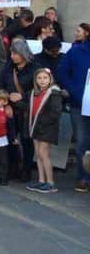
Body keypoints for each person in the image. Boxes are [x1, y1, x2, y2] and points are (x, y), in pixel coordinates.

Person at [0, 39, 38, 182]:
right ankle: (12, 168)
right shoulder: (7, 68)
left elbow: (40, 88)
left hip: (27, 109)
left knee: (27, 141)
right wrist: (5, 102)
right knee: (10, 139)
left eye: (15, 53)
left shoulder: (34, 68)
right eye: (12, 53)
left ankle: (26, 169)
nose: (12, 56)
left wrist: (22, 95)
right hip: (10, 109)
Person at [57, 31, 90, 192]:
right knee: (82, 142)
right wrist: (74, 91)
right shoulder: (76, 51)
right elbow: (62, 72)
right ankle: (83, 177)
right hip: (79, 104)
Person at [25, 68, 63, 194]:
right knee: (38, 154)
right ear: (35, 80)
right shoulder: (34, 92)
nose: (42, 80)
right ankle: (41, 181)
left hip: (47, 128)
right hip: (36, 127)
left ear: (50, 79)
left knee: (43, 153)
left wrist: (42, 123)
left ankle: (50, 183)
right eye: (39, 78)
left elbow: (55, 113)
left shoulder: (54, 93)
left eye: (45, 78)